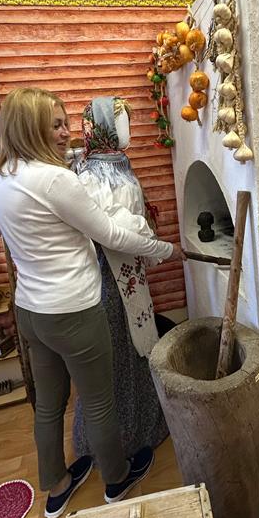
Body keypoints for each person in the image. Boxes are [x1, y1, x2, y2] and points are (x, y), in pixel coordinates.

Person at [0, 88, 185, 518]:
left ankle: (57, 487)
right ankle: (116, 480)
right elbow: (112, 235)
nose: (67, 132)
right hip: (74, 312)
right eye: (56, 125)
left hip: (31, 313)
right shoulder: (57, 180)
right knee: (99, 400)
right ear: (31, 128)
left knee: (49, 404)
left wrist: (19, 225)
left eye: (66, 122)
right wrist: (166, 250)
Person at [72, 96, 169, 463]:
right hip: (107, 274)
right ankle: (118, 443)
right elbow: (110, 229)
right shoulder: (90, 176)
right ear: (102, 129)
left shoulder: (117, 166)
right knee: (116, 355)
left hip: (127, 268)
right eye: (121, 122)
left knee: (133, 348)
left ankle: (142, 426)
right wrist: (155, 243)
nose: (128, 129)